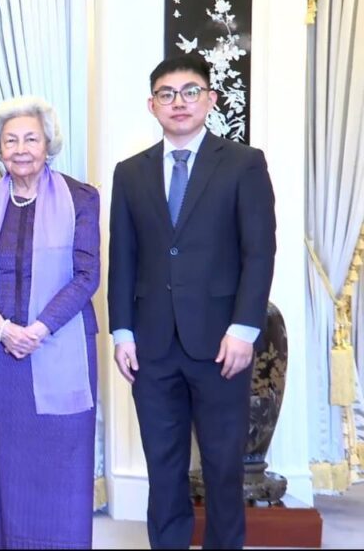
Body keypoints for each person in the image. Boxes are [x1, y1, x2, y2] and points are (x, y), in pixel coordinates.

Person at [108, 55, 277, 549]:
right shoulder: (130, 173)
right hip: (152, 345)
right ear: (152, 105)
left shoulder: (243, 163)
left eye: (190, 91)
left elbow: (259, 251)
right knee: (163, 467)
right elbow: (123, 257)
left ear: (210, 99)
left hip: (222, 343)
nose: (178, 102)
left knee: (223, 467)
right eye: (166, 94)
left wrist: (244, 328)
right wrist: (123, 331)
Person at [0, 95, 100, 549]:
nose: (21, 149)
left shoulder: (81, 198)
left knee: (62, 469)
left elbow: (86, 274)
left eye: (31, 139)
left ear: (48, 144)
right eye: (11, 140)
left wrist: (38, 329)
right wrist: (1, 328)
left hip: (60, 348)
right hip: (2, 356)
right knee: (6, 470)